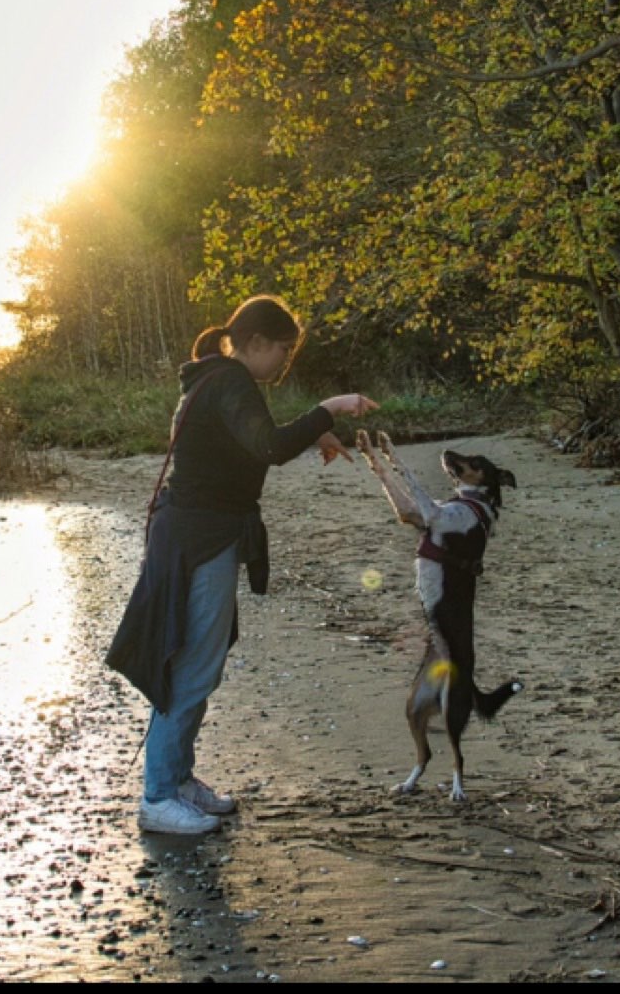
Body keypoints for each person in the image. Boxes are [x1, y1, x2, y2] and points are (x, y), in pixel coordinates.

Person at [105, 294, 378, 835]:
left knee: (197, 659)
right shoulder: (230, 381)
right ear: (254, 342)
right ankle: (158, 795)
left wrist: (312, 433)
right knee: (192, 665)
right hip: (199, 537)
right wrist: (331, 407)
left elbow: (242, 449)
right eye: (282, 349)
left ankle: (178, 781)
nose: (284, 361)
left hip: (193, 534)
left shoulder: (214, 377)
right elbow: (269, 446)